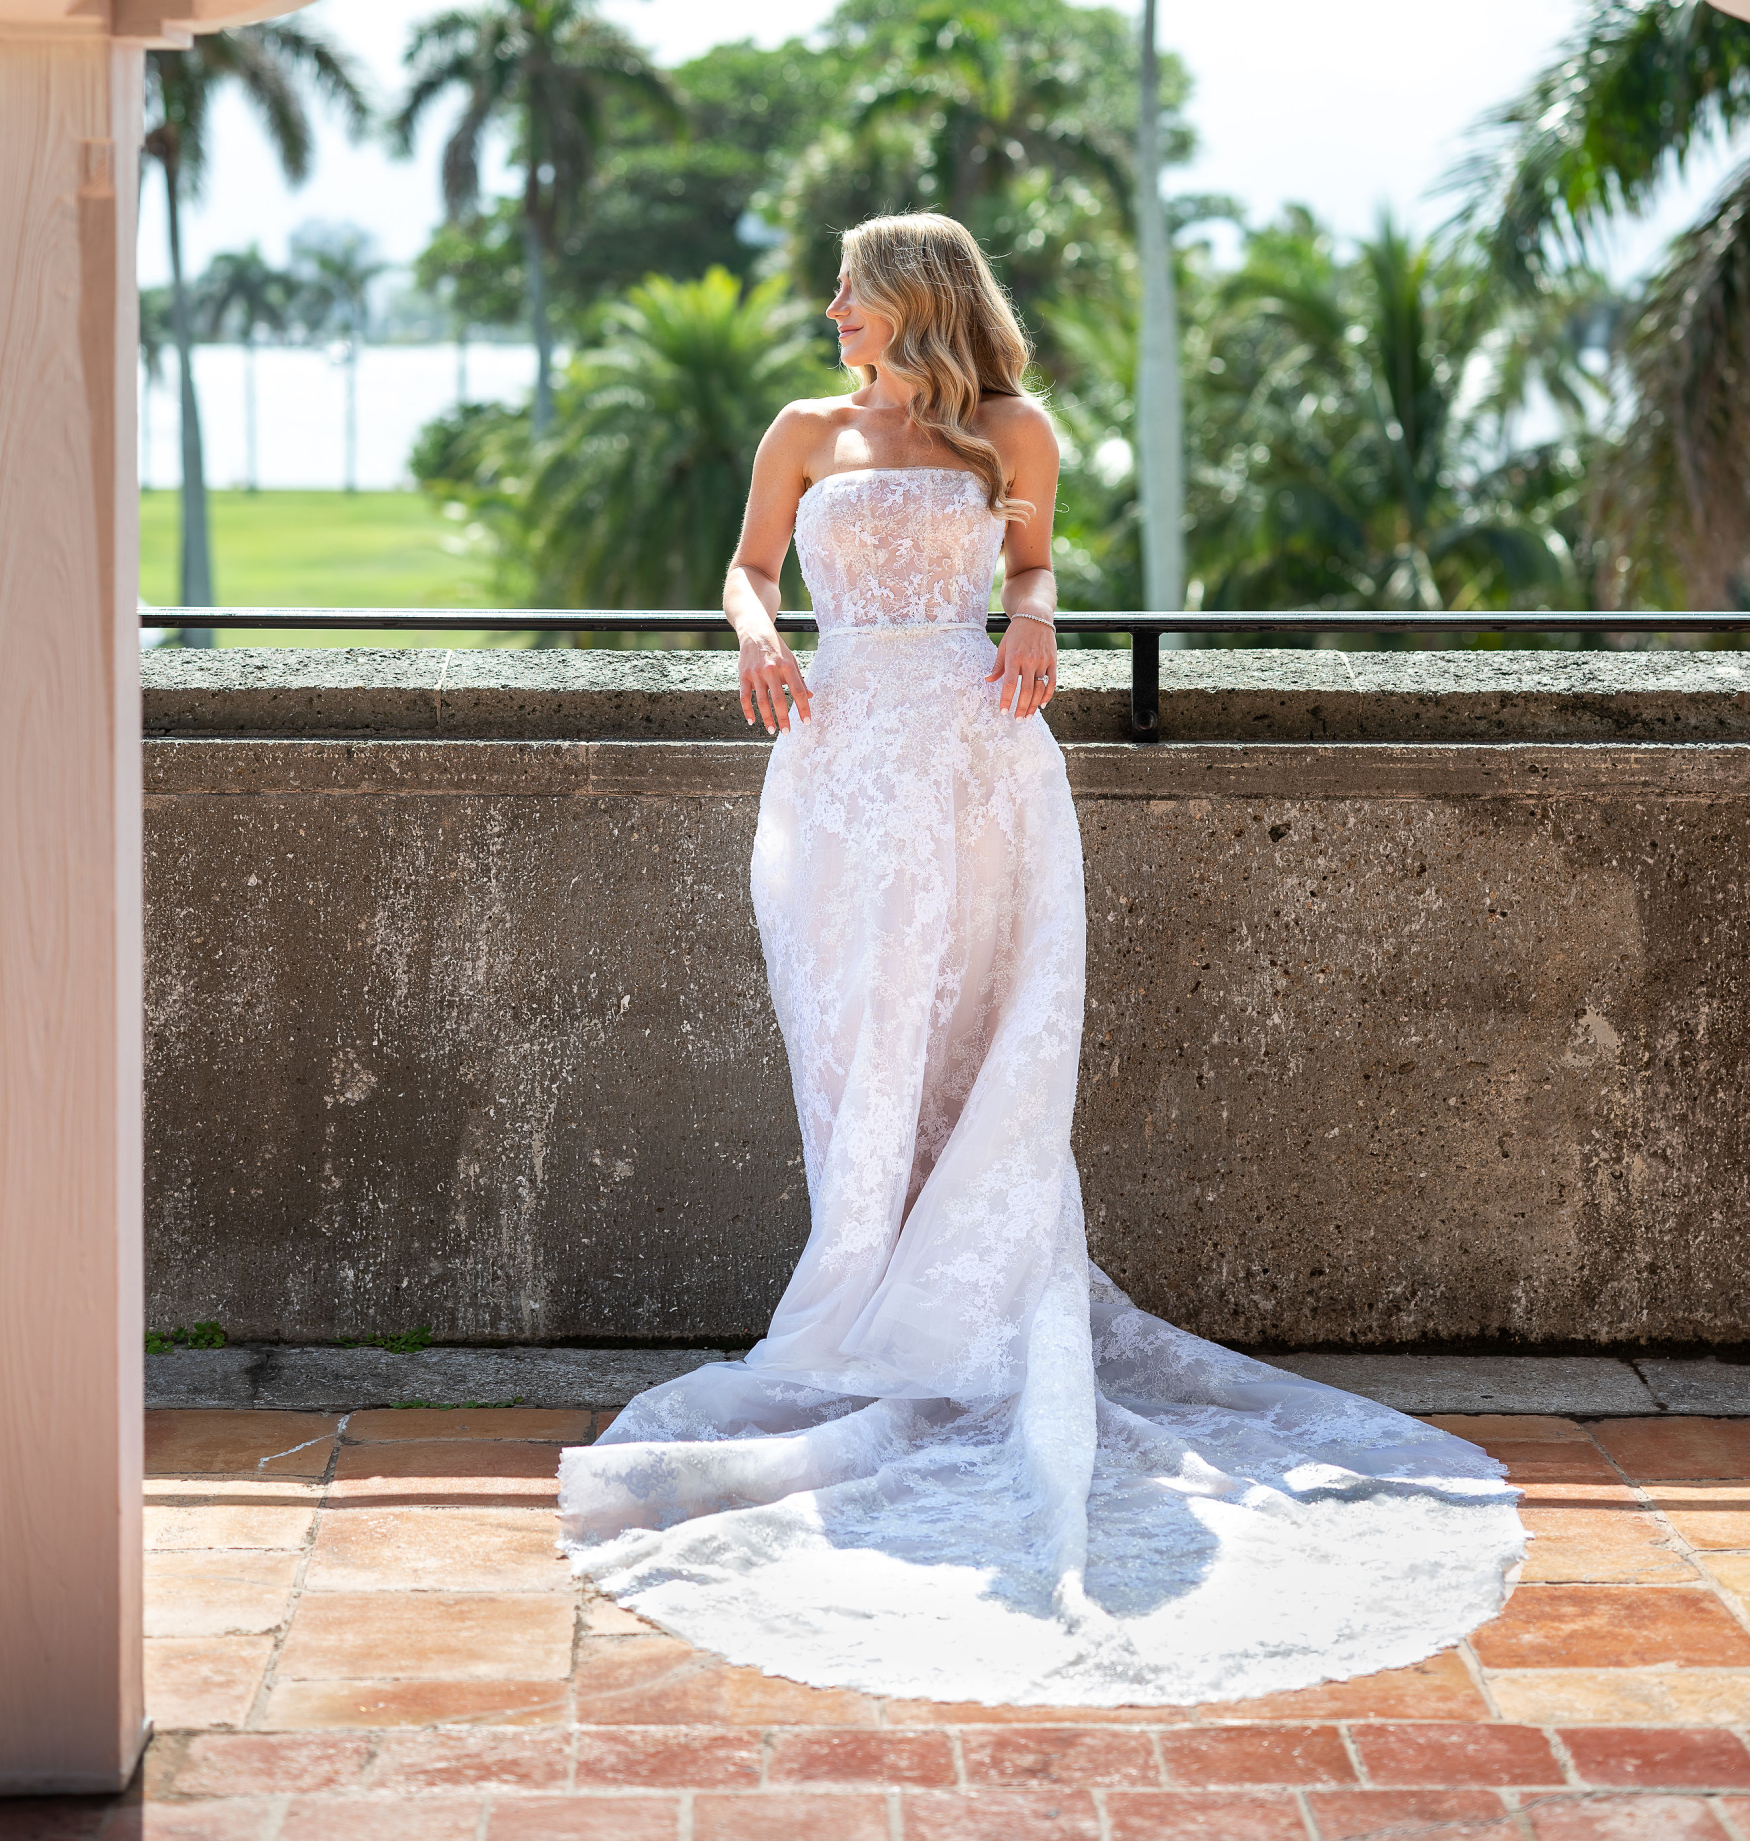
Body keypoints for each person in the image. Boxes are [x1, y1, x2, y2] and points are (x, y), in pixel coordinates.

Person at [559, 212, 1521, 1706]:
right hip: (836, 769)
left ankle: (962, 1309)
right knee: (854, 1043)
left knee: (978, 1045)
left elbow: (1031, 579)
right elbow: (747, 571)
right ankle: (860, 1287)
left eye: (854, 293)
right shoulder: (804, 429)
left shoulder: (1016, 430)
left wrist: (1036, 623)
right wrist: (758, 638)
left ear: (916, 303)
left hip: (979, 763)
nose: (831, 311)